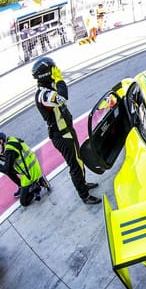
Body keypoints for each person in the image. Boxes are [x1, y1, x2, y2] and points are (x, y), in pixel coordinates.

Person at [32, 57, 100, 205]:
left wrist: (56, 82)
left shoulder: (47, 89)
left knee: (78, 160)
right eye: (53, 70)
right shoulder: (44, 94)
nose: (56, 71)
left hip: (66, 131)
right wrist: (59, 80)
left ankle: (83, 184)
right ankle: (84, 195)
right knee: (75, 166)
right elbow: (62, 98)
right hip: (62, 135)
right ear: (46, 74)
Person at [0, 132, 50, 206]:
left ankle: (37, 184)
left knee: (24, 202)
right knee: (8, 170)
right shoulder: (11, 141)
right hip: (32, 165)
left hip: (29, 173)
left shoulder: (9, 150)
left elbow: (6, 169)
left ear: (1, 141)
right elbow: (8, 159)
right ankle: (22, 186)